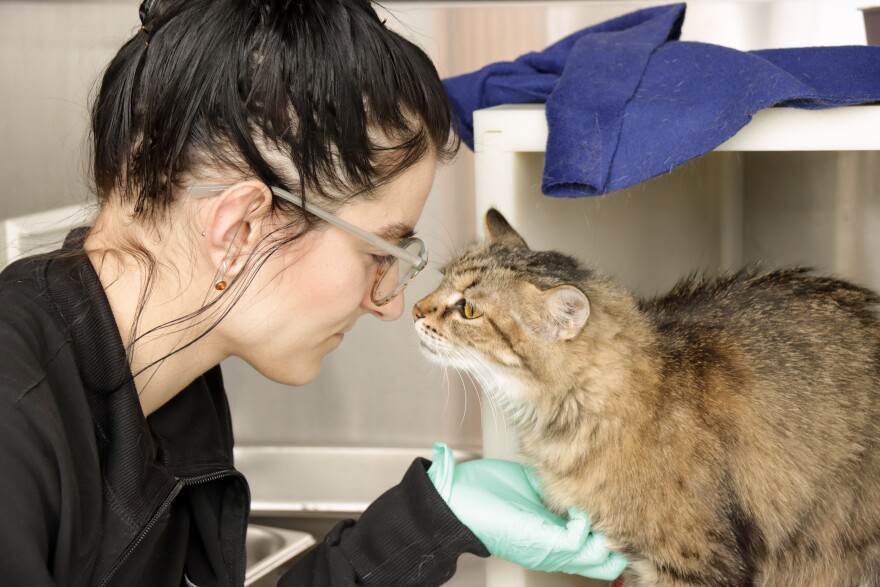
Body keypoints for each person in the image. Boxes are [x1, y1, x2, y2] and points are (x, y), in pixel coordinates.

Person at [0, 1, 627, 585]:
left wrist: (426, 522)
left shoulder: (173, 389)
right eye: (380, 253)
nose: (389, 306)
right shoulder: (16, 425)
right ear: (240, 228)